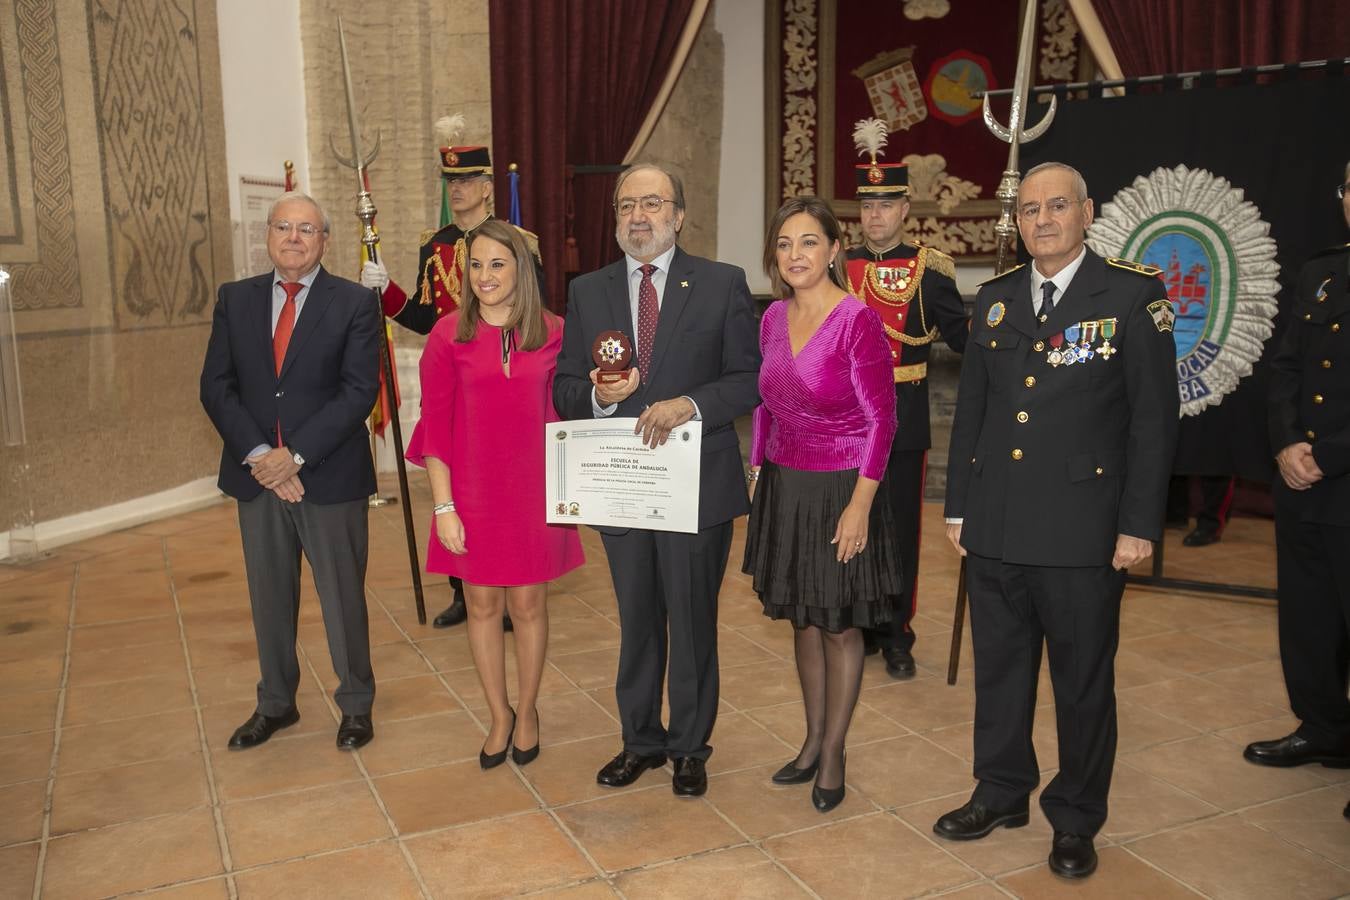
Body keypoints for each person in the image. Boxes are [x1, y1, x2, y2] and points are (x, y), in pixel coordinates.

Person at [938, 162, 1178, 879]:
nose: (1042, 219)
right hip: (999, 524)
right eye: (1030, 209)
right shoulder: (998, 300)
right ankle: (1002, 789)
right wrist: (958, 505)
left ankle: (1075, 817)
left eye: (1057, 206)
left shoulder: (1133, 298)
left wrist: (1138, 524)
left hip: (1084, 529)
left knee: (1080, 682)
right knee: (1002, 672)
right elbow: (975, 412)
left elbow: (1154, 424)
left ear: (1087, 212)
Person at [553, 163, 760, 798]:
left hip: (695, 484)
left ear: (678, 215)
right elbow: (563, 387)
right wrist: (599, 392)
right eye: (626, 206)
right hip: (622, 485)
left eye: (652, 203)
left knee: (692, 619)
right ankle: (639, 740)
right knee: (638, 618)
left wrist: (687, 406)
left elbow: (749, 377)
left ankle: (690, 747)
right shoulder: (588, 291)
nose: (637, 217)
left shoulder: (723, 283)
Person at [200, 191, 380, 752]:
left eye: (307, 229)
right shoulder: (236, 299)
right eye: (284, 227)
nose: (294, 238)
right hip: (257, 478)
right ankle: (275, 703)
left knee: (342, 597)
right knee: (269, 596)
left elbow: (358, 393)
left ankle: (355, 705)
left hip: (329, 477)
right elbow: (216, 387)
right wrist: (262, 457)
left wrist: (295, 456)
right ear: (268, 236)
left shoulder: (354, 302)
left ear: (325, 239)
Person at [405, 219, 583, 769]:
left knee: (528, 604)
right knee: (481, 603)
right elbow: (434, 425)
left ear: (522, 269)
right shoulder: (446, 335)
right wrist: (443, 507)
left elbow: (575, 408)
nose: (485, 276)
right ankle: (498, 714)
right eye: (476, 264)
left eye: (498, 264)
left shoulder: (556, 331)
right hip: (472, 492)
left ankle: (527, 711)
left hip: (535, 491)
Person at [744, 196, 900, 812]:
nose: (795, 255)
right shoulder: (771, 318)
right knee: (803, 620)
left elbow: (882, 423)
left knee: (838, 624)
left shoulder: (855, 320)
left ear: (835, 249)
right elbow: (765, 403)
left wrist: (860, 506)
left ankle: (835, 750)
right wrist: (758, 466)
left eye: (808, 242)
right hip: (786, 482)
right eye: (784, 244)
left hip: (842, 487)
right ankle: (810, 740)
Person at [360, 131, 542, 630]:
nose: (456, 189)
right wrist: (387, 289)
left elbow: (535, 314)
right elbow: (423, 317)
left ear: (487, 186)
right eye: (450, 180)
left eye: (465, 180)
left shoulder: (517, 243)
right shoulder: (435, 245)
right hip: (455, 385)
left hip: (502, 381)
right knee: (457, 490)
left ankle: (508, 585)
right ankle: (466, 591)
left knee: (504, 492)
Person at [845, 118, 968, 679]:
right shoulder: (836, 266)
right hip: (844, 422)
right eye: (867, 204)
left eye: (886, 204)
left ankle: (896, 630)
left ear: (904, 209)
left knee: (898, 529)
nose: (875, 214)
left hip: (902, 417)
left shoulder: (931, 268)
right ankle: (858, 621)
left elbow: (965, 340)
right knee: (848, 525)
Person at [1247, 163, 1350, 773]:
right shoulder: (1321, 272)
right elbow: (1286, 368)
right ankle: (1323, 727)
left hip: (1342, 474)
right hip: (1303, 483)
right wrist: (1288, 444)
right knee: (1309, 617)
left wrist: (1329, 455)